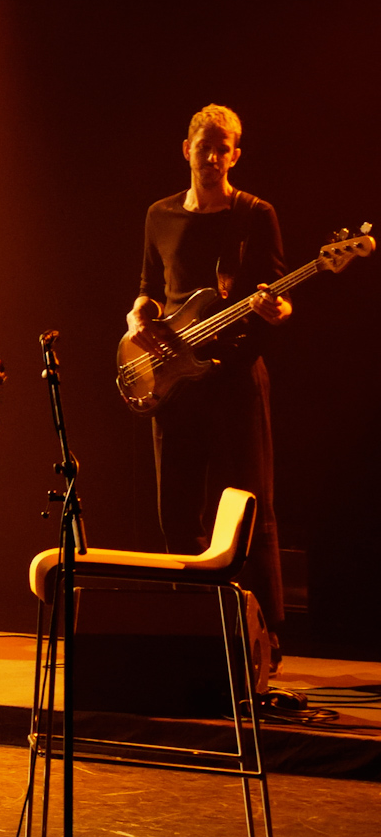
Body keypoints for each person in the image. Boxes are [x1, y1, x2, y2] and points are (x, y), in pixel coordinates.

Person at [123, 103, 288, 642]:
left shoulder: (254, 215)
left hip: (235, 378)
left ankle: (262, 634)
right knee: (177, 512)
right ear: (186, 149)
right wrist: (137, 317)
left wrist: (277, 308)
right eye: (205, 146)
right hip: (173, 380)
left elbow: (279, 295)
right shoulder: (159, 215)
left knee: (249, 510)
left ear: (236, 155)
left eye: (224, 148)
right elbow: (147, 288)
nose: (213, 156)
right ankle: (194, 629)